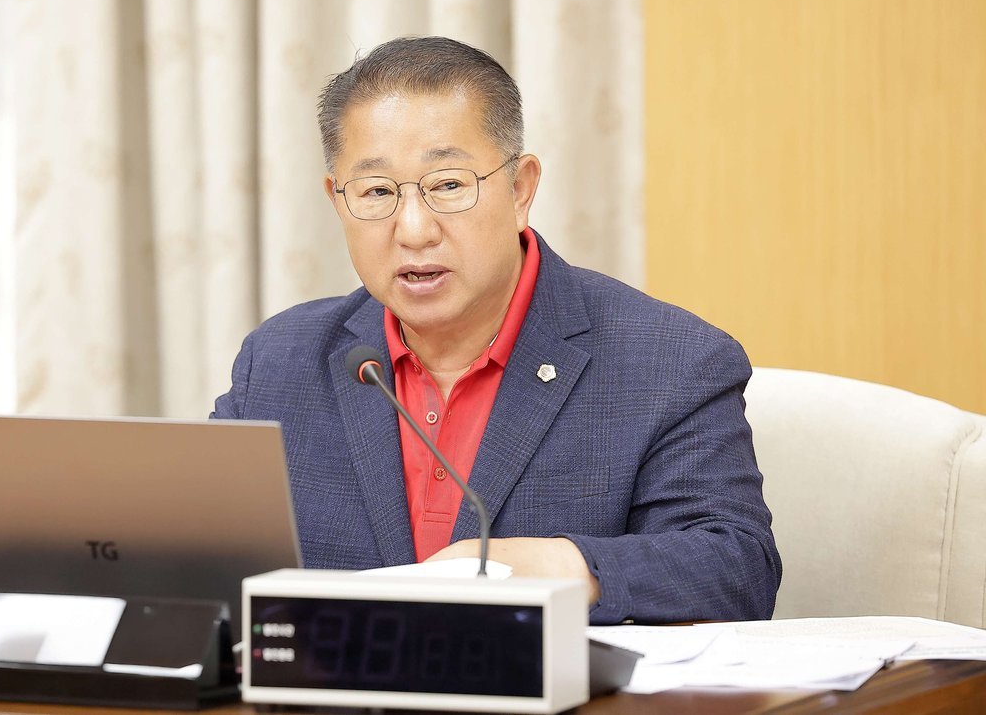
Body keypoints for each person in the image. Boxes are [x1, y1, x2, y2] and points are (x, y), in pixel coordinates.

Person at [212, 36, 781, 624]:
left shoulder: (670, 361)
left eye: (448, 185)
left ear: (520, 189)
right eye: (377, 192)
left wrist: (570, 568)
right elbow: (196, 556)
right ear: (338, 199)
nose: (414, 230)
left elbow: (737, 570)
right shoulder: (278, 362)